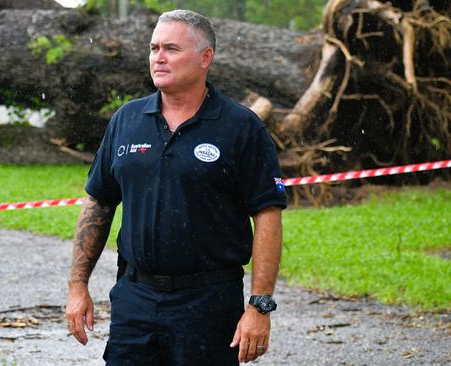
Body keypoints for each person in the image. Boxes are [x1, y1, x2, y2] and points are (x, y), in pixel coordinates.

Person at [66, 9, 287, 365]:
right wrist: (78, 286)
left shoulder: (241, 128)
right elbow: (99, 203)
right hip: (135, 298)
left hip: (208, 303)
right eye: (154, 48)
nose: (158, 57)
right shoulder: (127, 120)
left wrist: (260, 306)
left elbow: (267, 214)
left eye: (171, 48)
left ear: (205, 58)